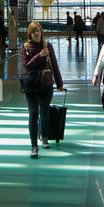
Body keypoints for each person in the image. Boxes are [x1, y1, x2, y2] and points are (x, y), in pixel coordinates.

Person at [20, 21, 63, 158]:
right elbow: (27, 66)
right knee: (33, 114)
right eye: (34, 31)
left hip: (46, 83)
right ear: (30, 34)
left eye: (38, 30)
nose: (36, 33)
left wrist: (59, 82)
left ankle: (44, 137)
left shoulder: (47, 46)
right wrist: (40, 56)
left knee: (44, 112)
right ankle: (34, 146)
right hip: (31, 85)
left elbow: (54, 65)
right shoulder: (25, 47)